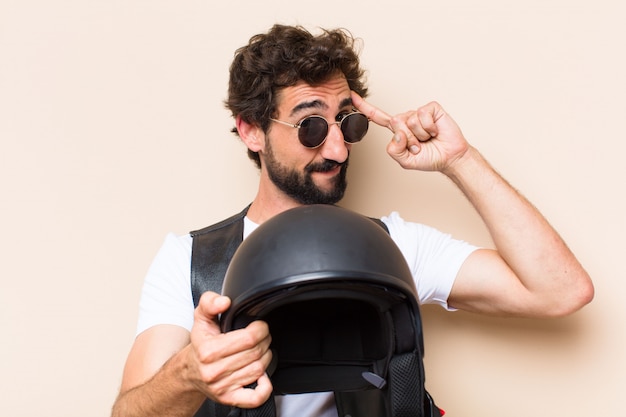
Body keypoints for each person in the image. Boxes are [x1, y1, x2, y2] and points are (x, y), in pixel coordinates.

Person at [110, 24, 594, 417]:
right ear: (251, 130)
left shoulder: (390, 246)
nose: (339, 149)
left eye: (348, 122)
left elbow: (559, 291)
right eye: (311, 126)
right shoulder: (190, 262)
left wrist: (459, 160)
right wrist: (190, 374)